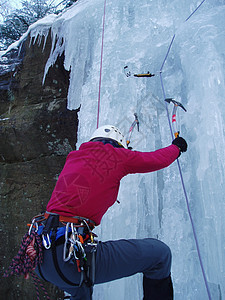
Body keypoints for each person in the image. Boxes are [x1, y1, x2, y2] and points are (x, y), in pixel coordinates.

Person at [34, 124, 187, 300]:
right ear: (118, 145)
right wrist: (176, 147)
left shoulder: (74, 157)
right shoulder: (117, 156)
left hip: (41, 256)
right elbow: (155, 159)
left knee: (81, 288)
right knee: (160, 255)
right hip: (68, 256)